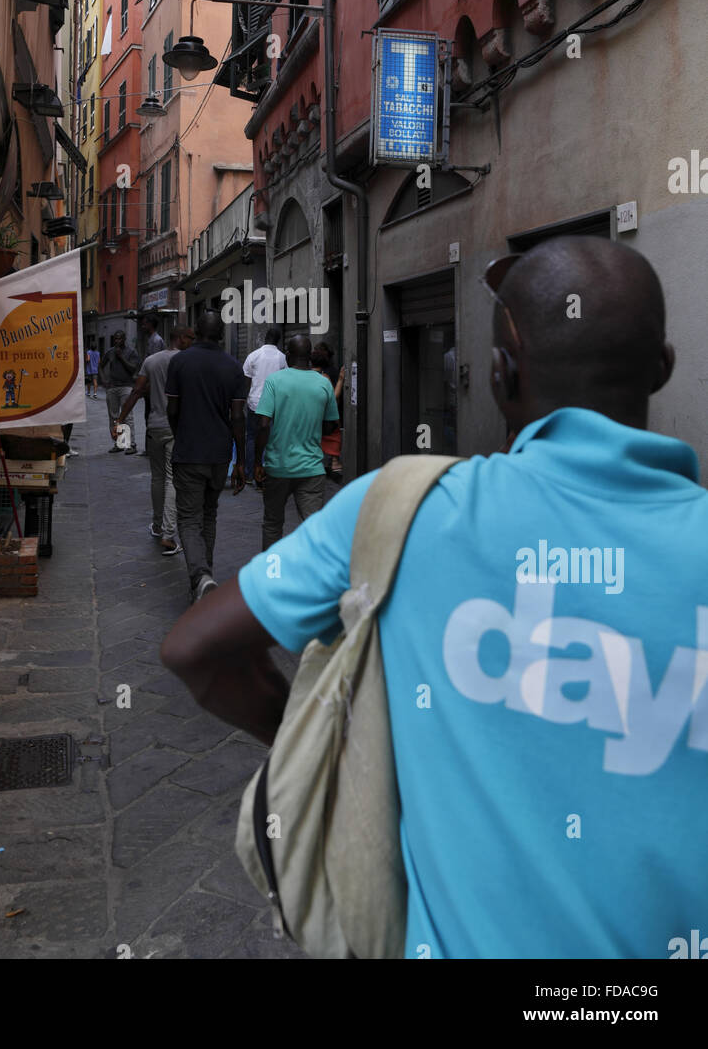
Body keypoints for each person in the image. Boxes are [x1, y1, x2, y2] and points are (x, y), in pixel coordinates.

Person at [161, 237, 708, 959]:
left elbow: (194, 648)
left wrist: (330, 738)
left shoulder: (405, 509)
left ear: (498, 377)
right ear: (663, 368)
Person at [166, 309, 247, 602]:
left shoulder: (179, 362)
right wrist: (241, 461)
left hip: (189, 451)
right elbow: (238, 418)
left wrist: (181, 433)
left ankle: (201, 577)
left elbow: (172, 410)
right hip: (220, 453)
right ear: (222, 334)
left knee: (188, 519)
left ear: (197, 331)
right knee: (209, 514)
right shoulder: (234, 367)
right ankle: (205, 578)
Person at [254, 335, 339, 550]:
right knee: (312, 527)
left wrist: (257, 462)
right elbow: (331, 425)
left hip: (278, 466)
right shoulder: (324, 383)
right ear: (310, 356)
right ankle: (311, 577)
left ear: (288, 355)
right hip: (311, 468)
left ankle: (271, 574)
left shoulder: (275, 380)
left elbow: (263, 424)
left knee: (273, 524)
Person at [115, 326, 194, 555]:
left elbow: (137, 391)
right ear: (179, 338)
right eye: (190, 337)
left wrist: (119, 420)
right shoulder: (187, 360)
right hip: (176, 428)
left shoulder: (151, 361)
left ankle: (157, 525)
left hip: (155, 427)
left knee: (157, 478)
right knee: (171, 479)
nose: (192, 341)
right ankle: (169, 535)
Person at [242, 327, 286, 485]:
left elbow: (246, 381)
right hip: (273, 405)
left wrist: (244, 401)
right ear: (278, 341)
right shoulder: (282, 358)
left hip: (254, 403)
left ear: (264, 338)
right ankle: (264, 473)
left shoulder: (253, 356)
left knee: (252, 437)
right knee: (269, 438)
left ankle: (248, 474)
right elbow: (284, 382)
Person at [99, 331, 140, 455]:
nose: (117, 341)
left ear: (124, 339)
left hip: (126, 387)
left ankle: (132, 444)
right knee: (114, 416)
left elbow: (133, 369)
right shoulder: (110, 352)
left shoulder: (131, 352)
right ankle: (120, 443)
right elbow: (100, 365)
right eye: (115, 339)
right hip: (112, 387)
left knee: (128, 416)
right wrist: (104, 380)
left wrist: (121, 357)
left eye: (119, 339)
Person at [311, 345, 345, 481]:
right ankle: (335, 464)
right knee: (332, 438)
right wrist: (341, 380)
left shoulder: (305, 376)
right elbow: (333, 396)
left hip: (311, 417)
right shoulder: (324, 378)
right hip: (325, 417)